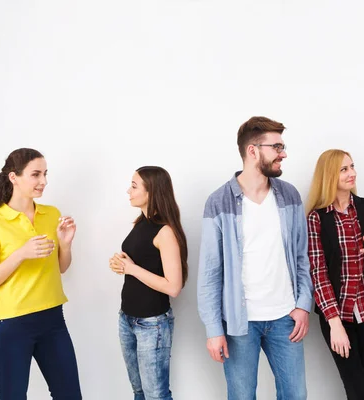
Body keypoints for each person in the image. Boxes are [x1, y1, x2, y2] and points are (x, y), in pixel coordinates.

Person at [197, 116, 313, 400]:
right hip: (240, 324)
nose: (283, 154)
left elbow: (302, 256)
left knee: (296, 395)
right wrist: (214, 329)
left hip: (286, 318)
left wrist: (303, 305)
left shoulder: (289, 196)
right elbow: (210, 273)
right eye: (277, 147)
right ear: (252, 151)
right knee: (241, 396)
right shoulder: (219, 201)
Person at [0, 147, 82, 399]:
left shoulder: (51, 214)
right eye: (35, 174)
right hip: (13, 325)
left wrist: (65, 244)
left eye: (45, 174)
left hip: (53, 320)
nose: (43, 181)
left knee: (70, 395)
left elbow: (61, 268)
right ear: (14, 177)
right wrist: (21, 254)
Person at [306, 149, 364, 400]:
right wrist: (334, 323)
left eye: (352, 166)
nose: (352, 173)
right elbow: (318, 274)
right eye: (344, 169)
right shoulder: (316, 219)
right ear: (329, 175)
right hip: (338, 318)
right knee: (356, 388)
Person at [109, 166, 188, 400]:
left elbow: (173, 286)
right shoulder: (140, 223)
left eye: (134, 186)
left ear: (151, 191)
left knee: (156, 395)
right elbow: (143, 262)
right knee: (139, 391)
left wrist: (131, 268)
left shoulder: (165, 231)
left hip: (152, 324)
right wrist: (122, 264)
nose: (128, 191)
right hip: (127, 319)